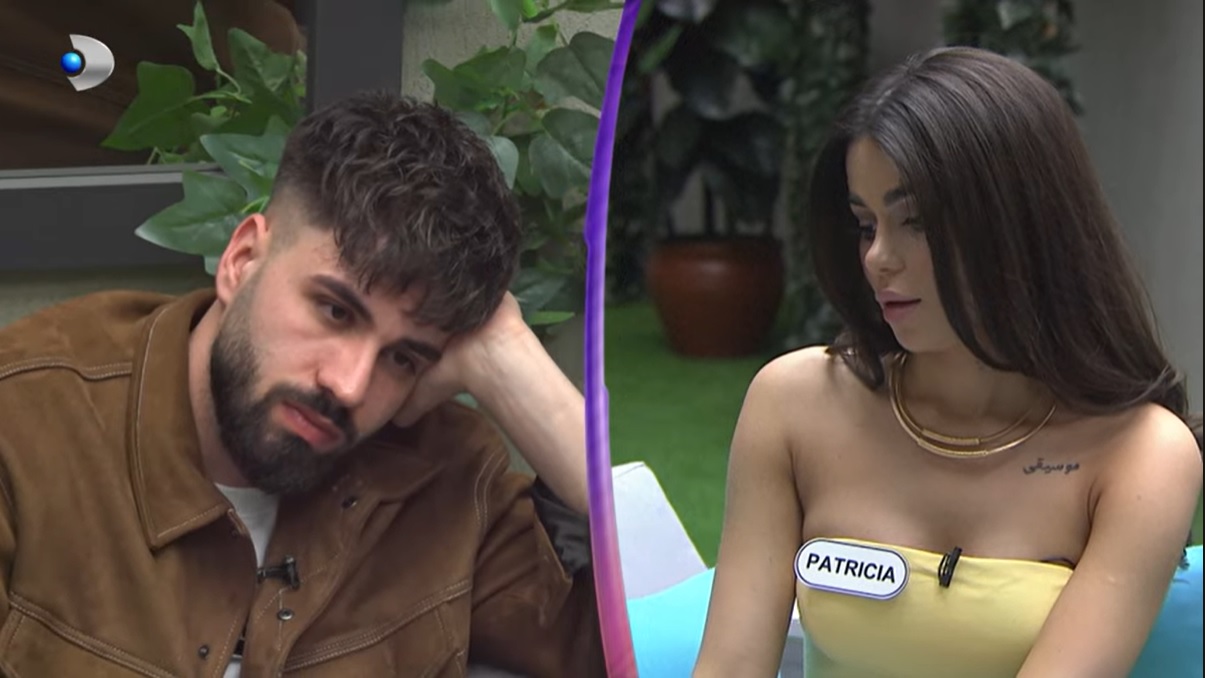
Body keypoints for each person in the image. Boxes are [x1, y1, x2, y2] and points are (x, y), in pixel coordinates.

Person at [0, 91, 604, 677]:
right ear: (241, 260)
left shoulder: (445, 480)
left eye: (402, 359)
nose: (348, 386)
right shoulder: (26, 420)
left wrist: (508, 358)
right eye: (335, 311)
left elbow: (648, 647)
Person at [693, 46, 1203, 678]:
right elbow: (730, 665)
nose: (878, 257)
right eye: (865, 224)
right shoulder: (793, 404)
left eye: (917, 221)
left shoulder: (1142, 456)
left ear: (1021, 225)